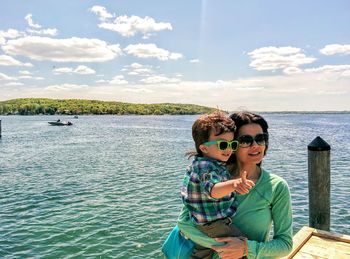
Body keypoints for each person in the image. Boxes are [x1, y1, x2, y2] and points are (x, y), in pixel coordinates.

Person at [178, 111, 293, 259]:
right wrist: (226, 247)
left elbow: (285, 245)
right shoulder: (213, 177)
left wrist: (246, 248)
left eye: (261, 139)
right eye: (245, 140)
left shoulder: (277, 187)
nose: (255, 145)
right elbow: (184, 224)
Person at [181, 111, 255, 259]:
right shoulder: (205, 167)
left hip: (202, 222)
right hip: (213, 223)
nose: (229, 149)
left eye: (232, 144)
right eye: (222, 144)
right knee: (242, 245)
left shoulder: (206, 164)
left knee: (202, 253)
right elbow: (213, 190)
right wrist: (235, 183)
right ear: (204, 148)